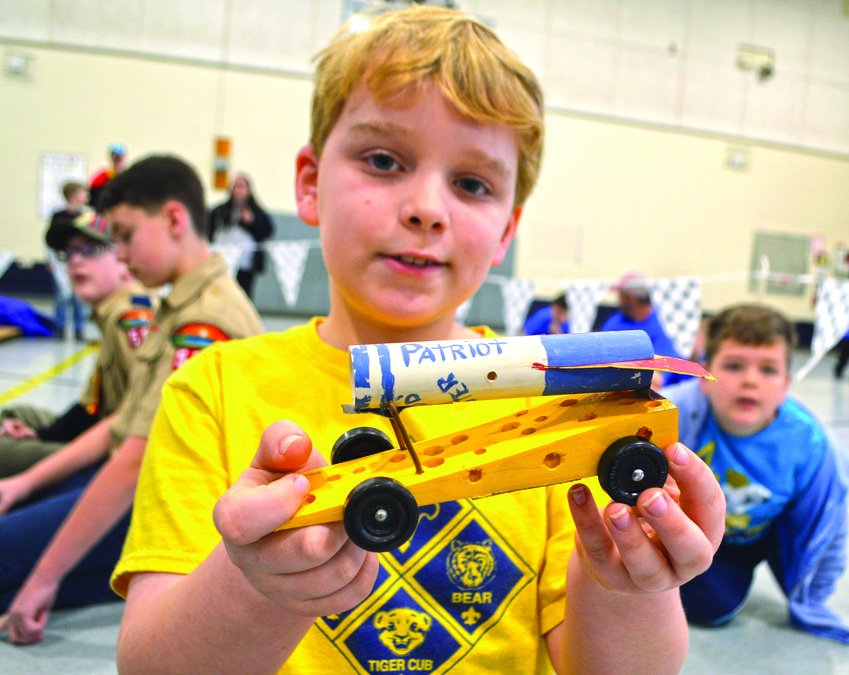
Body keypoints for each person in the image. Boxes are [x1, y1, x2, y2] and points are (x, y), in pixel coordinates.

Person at [110, 7, 723, 674]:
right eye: (383, 160)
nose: (427, 207)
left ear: (505, 232)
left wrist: (629, 582)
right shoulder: (213, 389)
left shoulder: (556, 400)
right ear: (310, 184)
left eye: (471, 183)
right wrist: (259, 588)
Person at [0, 155, 264, 644]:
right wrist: (22, 485)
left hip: (170, 510)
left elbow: (138, 459)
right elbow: (125, 421)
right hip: (147, 496)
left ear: (173, 220)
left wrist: (43, 580)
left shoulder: (203, 322)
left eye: (124, 235)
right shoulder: (177, 305)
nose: (119, 254)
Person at [664, 303, 849, 642]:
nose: (750, 380)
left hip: (775, 531)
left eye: (768, 370)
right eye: (734, 366)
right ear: (704, 377)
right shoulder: (669, 414)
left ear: (786, 384)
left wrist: (813, 600)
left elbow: (830, 527)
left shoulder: (811, 444)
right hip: (710, 538)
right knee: (710, 609)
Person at [0, 211, 153, 479]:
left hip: (115, 456)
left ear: (123, 260)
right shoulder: (110, 314)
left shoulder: (130, 319)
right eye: (69, 253)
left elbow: (137, 421)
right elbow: (90, 407)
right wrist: (40, 435)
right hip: (102, 429)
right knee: (15, 414)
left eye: (90, 250)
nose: (75, 261)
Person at [601, 272, 686, 386]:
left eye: (620, 296)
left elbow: (660, 377)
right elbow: (600, 357)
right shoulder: (615, 322)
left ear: (631, 298)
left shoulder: (663, 322)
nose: (618, 300)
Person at [208, 173, 274, 298]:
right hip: (221, 260)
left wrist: (252, 222)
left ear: (248, 190)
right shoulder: (219, 211)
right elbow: (207, 232)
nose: (238, 190)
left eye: (241, 186)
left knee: (243, 296)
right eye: (235, 186)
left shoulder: (257, 212)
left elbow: (267, 232)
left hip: (245, 265)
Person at [46, 181, 90, 340]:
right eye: (82, 193)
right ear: (72, 196)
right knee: (62, 296)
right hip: (61, 261)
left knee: (80, 296)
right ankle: (60, 328)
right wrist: (50, 260)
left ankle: (79, 329)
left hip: (81, 260)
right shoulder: (58, 216)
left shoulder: (87, 216)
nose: (86, 197)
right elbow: (49, 240)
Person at [89, 143, 127, 208]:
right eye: (115, 156)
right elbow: (93, 196)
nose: (117, 159)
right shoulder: (103, 175)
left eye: (120, 157)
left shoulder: (129, 174)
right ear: (111, 157)